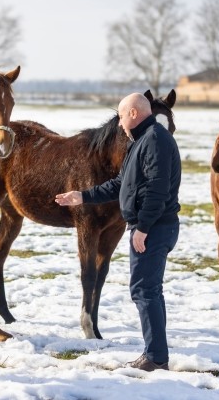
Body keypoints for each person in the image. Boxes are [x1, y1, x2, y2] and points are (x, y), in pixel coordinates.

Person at [55, 92, 181, 372]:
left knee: (145, 290)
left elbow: (157, 190)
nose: (120, 122)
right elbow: (120, 184)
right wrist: (82, 197)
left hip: (155, 227)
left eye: (122, 116)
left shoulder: (155, 140)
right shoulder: (141, 142)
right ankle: (155, 353)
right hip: (151, 226)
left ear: (134, 114)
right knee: (147, 290)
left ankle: (156, 357)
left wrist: (143, 228)